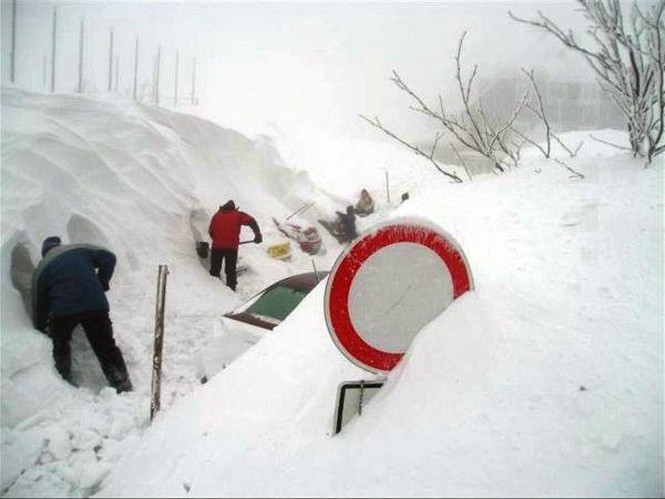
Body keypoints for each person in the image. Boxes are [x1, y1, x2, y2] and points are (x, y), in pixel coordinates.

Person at [31, 236, 133, 393]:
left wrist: (40, 327)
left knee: (60, 344)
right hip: (94, 304)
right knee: (105, 344)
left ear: (45, 252)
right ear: (60, 245)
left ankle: (63, 380)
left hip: (64, 310)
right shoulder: (78, 249)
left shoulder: (43, 267)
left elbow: (40, 302)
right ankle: (121, 382)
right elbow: (109, 258)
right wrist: (102, 282)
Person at [208, 200, 262, 291]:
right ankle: (231, 289)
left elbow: (211, 231)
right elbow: (251, 221)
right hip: (231, 248)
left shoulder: (216, 216)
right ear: (233, 208)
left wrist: (219, 239)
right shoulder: (238, 215)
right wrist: (258, 234)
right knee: (230, 270)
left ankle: (213, 290)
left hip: (217, 247)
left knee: (215, 270)